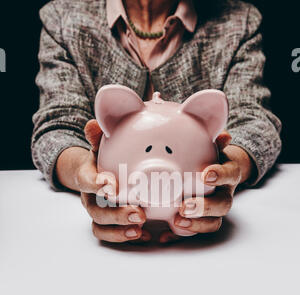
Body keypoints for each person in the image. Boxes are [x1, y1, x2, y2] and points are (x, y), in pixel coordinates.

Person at [32, 0, 282, 243]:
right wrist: (85, 174)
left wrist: (227, 170)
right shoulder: (64, 18)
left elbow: (255, 123)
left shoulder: (238, 21)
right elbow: (56, 128)